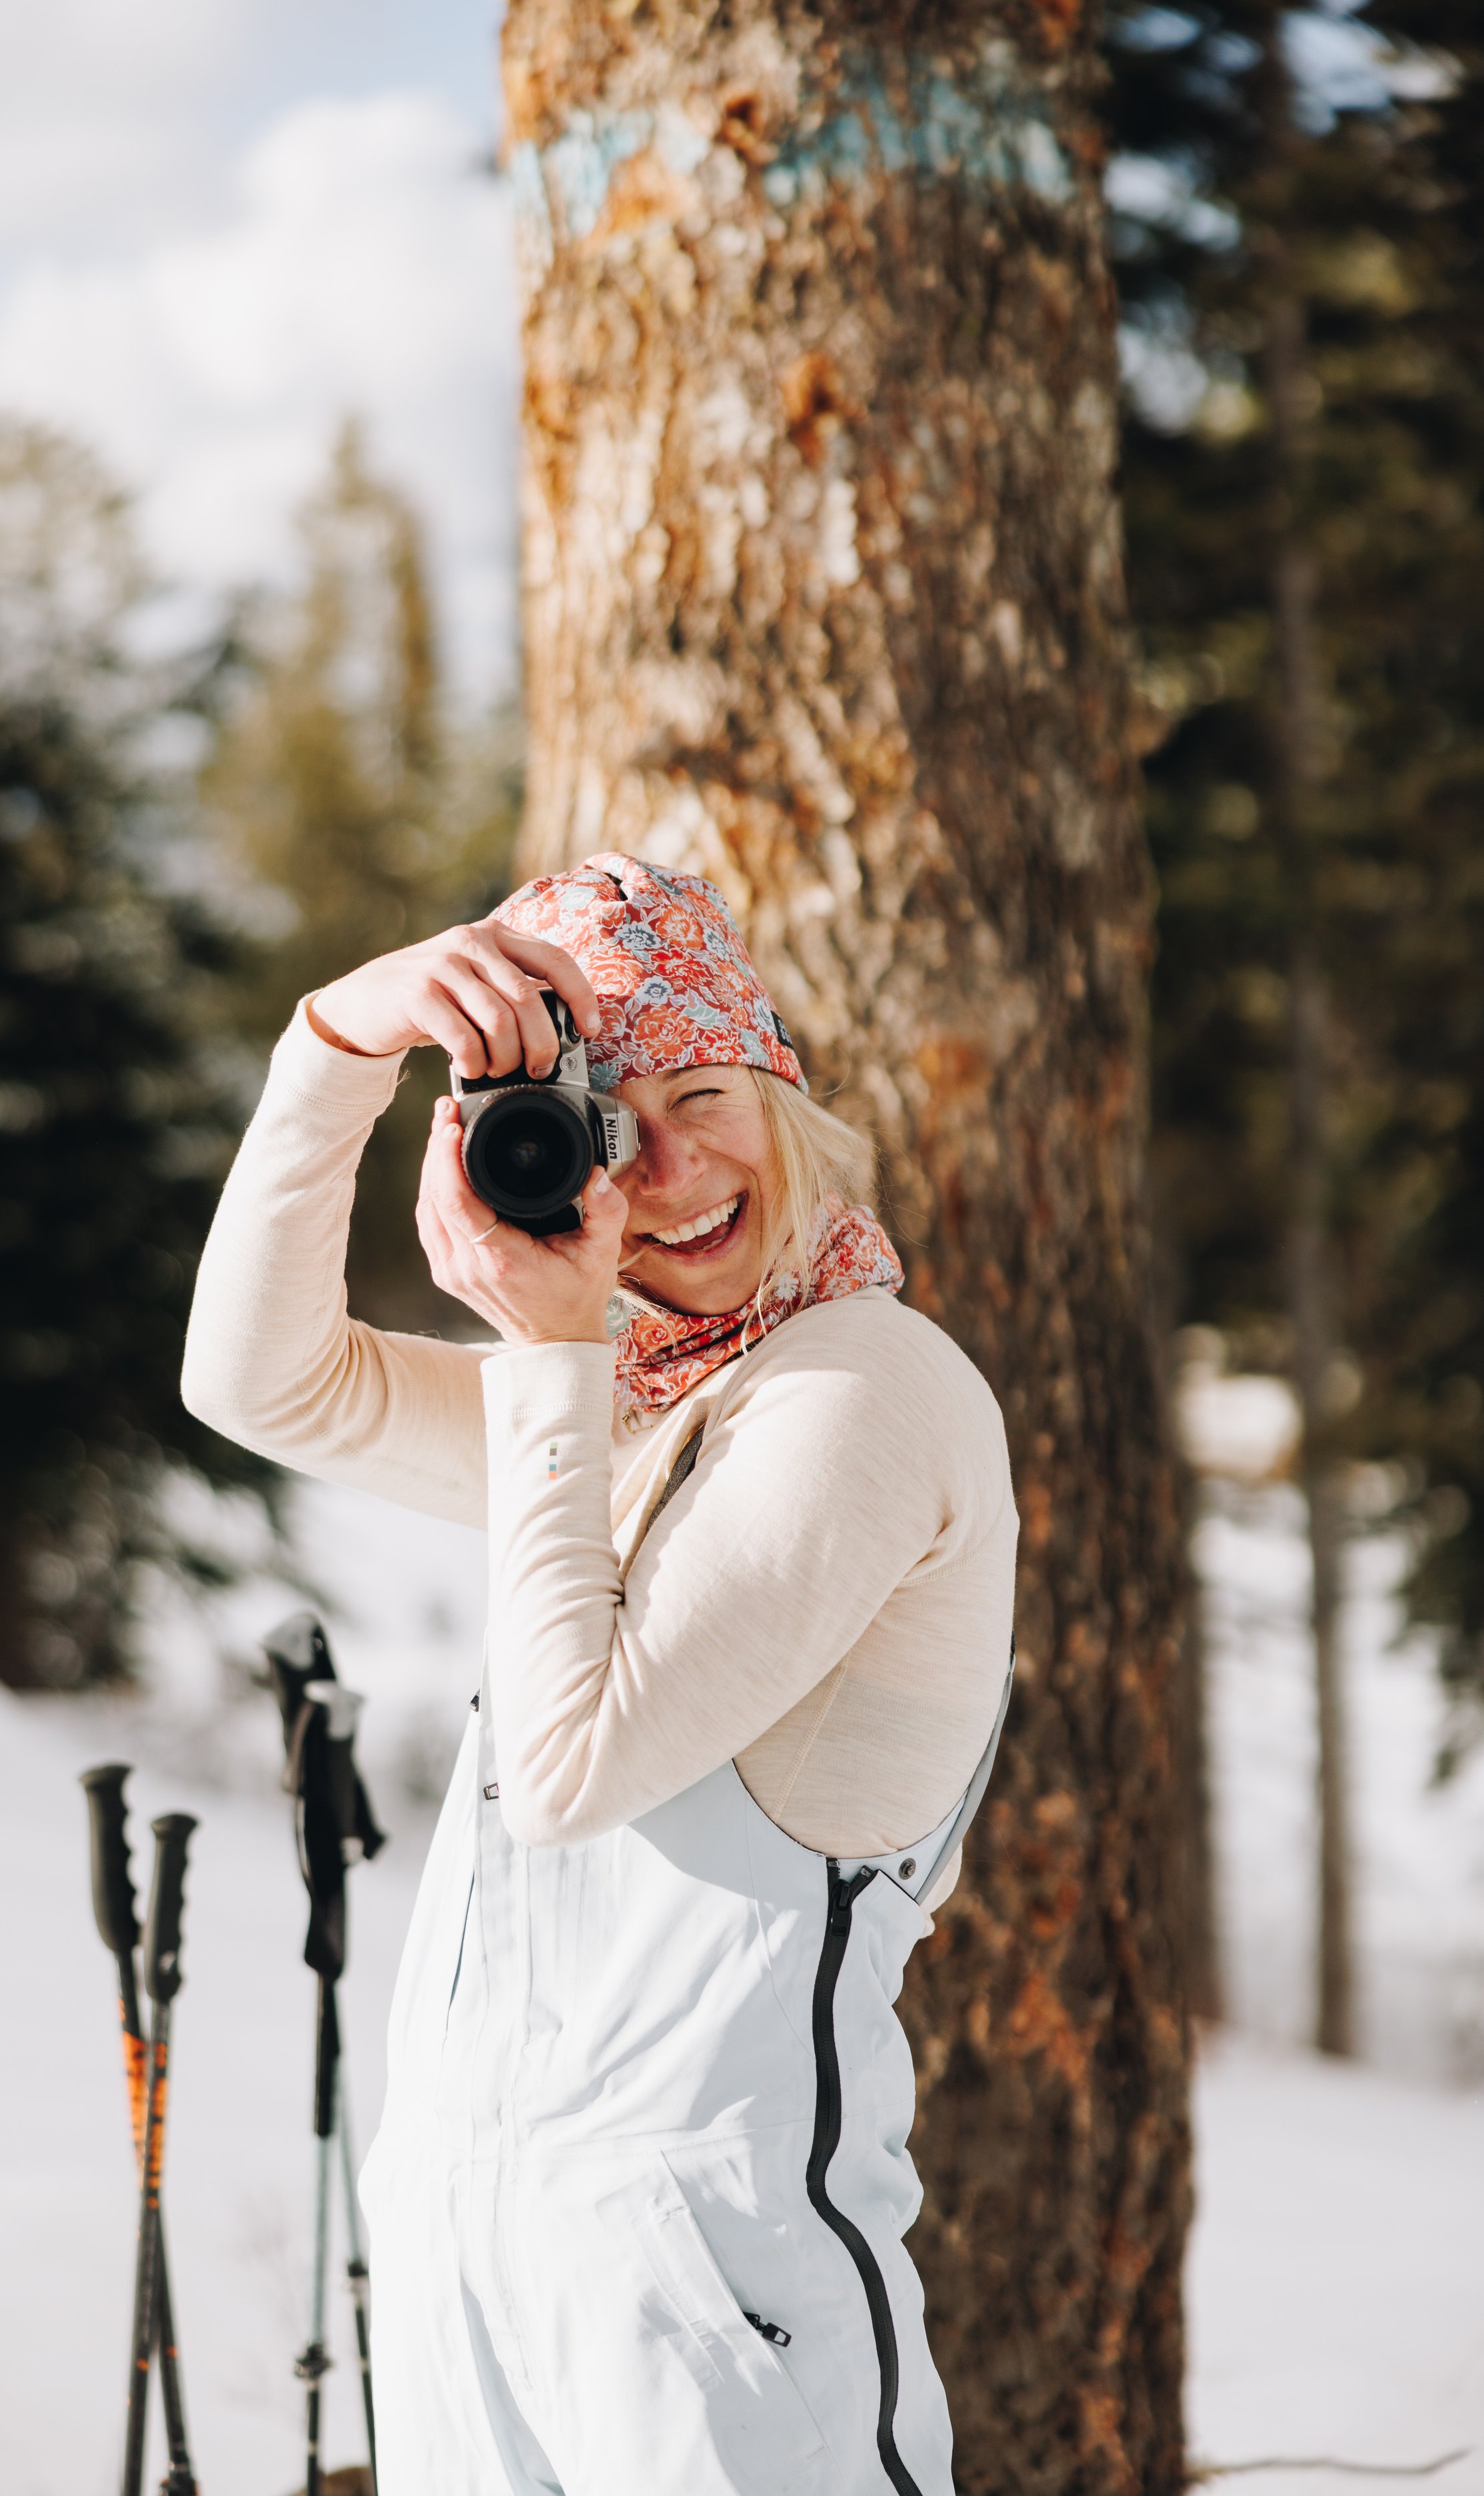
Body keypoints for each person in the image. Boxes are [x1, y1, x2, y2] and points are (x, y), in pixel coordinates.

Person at [182, 853, 1018, 2496]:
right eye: (610, 1123)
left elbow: (570, 1771)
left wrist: (549, 1353)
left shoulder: (863, 1389)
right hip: (477, 2271)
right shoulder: (628, 1407)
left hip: (708, 2303)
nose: (672, 1169)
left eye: (703, 1089)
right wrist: (334, 1049)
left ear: (785, 1092)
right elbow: (256, 1381)